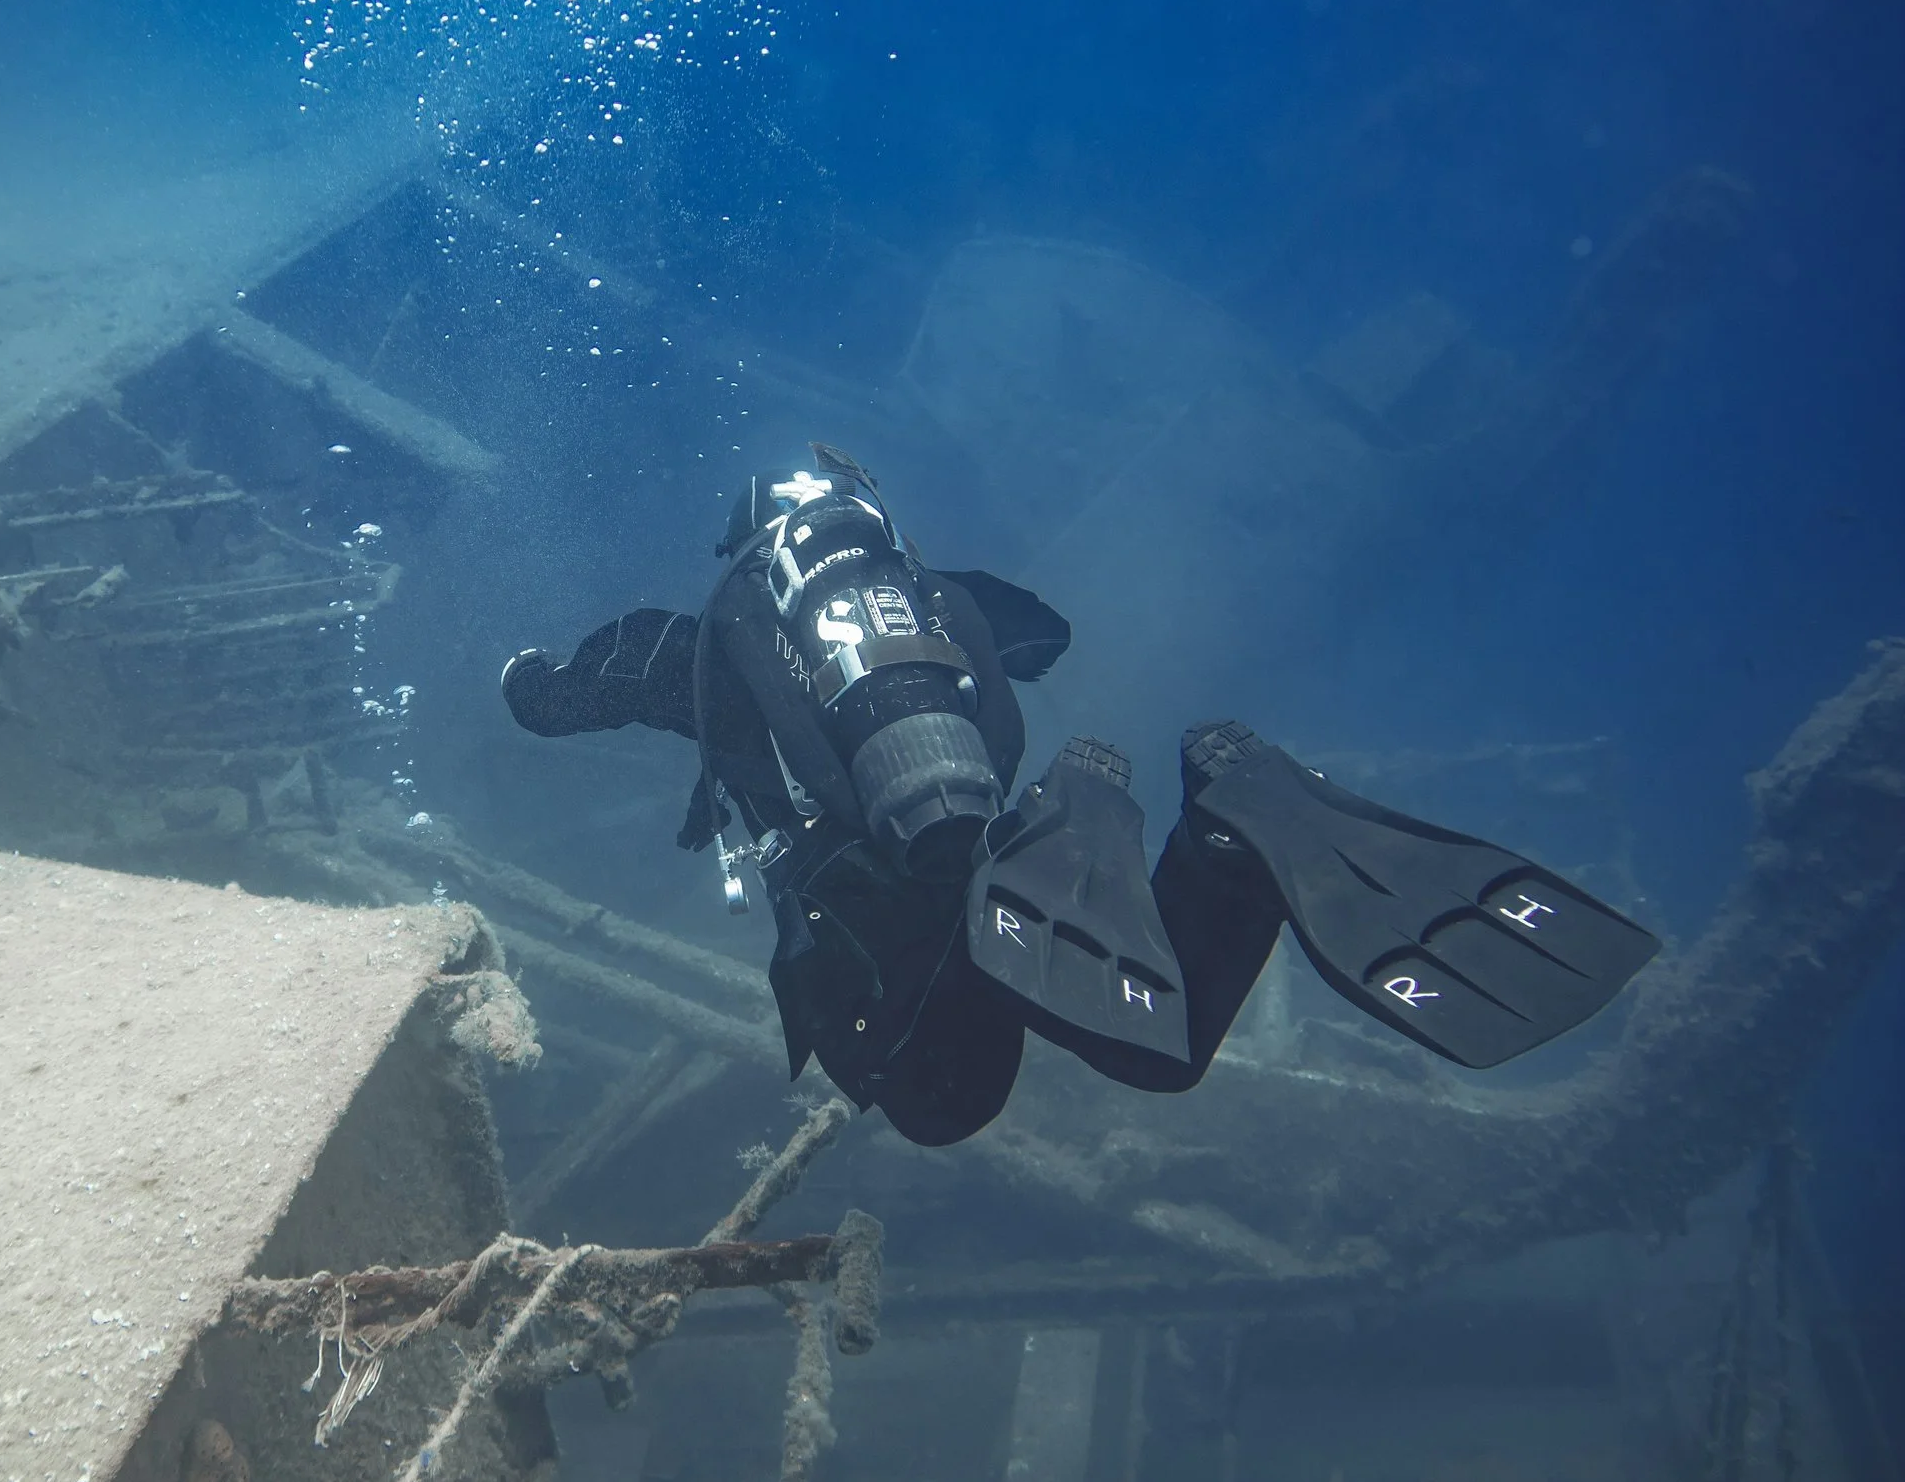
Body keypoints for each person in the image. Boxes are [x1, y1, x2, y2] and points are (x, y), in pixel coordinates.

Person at [501, 444, 1658, 1145]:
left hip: (883, 910)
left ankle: (1190, 837)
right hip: (1008, 858)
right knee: (1153, 1046)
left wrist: (527, 687)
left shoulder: (706, 642)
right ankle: (1206, 814)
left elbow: (565, 694)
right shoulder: (935, 596)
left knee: (943, 1101)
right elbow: (1043, 632)